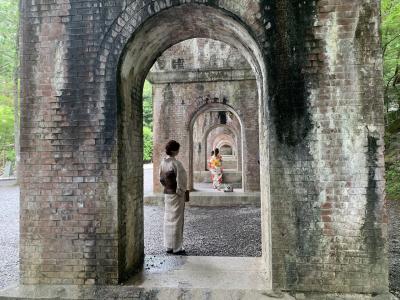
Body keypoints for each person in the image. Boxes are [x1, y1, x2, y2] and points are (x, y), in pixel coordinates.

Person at [159, 140, 188, 255]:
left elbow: (161, 179)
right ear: (175, 150)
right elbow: (182, 180)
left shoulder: (162, 163)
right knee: (177, 220)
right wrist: (181, 192)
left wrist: (167, 187)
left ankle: (168, 246)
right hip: (176, 195)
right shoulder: (176, 164)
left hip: (167, 193)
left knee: (168, 219)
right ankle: (177, 248)